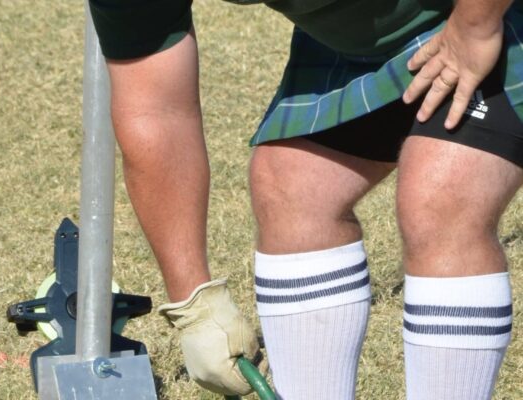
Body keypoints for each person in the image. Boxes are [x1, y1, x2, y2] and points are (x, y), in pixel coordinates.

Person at [88, 0, 523, 399]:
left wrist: (474, 28)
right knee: (289, 187)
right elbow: (154, 108)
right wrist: (195, 305)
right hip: (361, 38)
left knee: (440, 197)